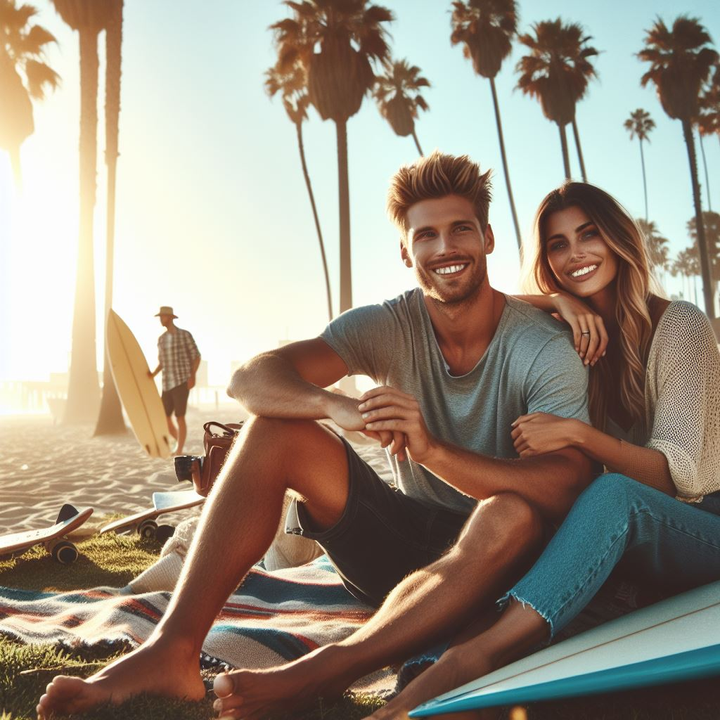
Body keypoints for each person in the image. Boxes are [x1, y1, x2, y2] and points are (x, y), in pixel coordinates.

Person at [37, 152, 594, 718]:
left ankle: (322, 672)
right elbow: (251, 377)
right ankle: (172, 651)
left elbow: (570, 484)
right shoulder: (387, 324)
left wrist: (433, 451)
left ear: (489, 238)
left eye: (460, 230)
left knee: (513, 513)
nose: (445, 248)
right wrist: (334, 405)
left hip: (501, 567)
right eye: (426, 234)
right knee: (276, 429)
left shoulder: (542, 347)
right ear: (406, 250)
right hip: (401, 550)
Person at [359, 182, 720, 720]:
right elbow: (494, 307)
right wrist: (556, 300)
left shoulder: (681, 326)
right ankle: (426, 672)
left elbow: (679, 479)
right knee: (530, 523)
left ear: (617, 240)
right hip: (620, 536)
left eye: (588, 235)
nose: (575, 254)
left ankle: (472, 658)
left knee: (611, 493)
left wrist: (579, 436)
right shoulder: (567, 334)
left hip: (699, 528)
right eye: (557, 244)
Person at [148, 306, 201, 456]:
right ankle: (180, 443)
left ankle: (179, 449)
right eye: (159, 317)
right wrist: (152, 374)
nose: (160, 320)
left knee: (180, 417)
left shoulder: (184, 335)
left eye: (162, 317)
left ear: (170, 318)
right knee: (165, 418)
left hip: (181, 381)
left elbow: (196, 356)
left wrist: (192, 376)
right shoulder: (161, 339)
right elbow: (162, 362)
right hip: (166, 384)